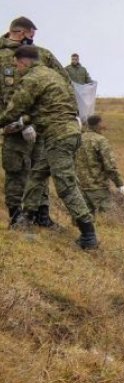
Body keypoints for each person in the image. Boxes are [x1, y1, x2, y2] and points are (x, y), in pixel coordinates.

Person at [0, 46, 98, 249]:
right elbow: (49, 106)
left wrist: (9, 121)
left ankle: (89, 234)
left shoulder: (32, 79)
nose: (16, 69)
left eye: (16, 65)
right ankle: (25, 218)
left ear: (23, 61)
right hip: (68, 132)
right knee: (37, 175)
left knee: (66, 185)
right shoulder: (53, 75)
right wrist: (25, 121)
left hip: (58, 137)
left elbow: (15, 108)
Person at [1, 16, 70, 228]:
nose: (32, 39)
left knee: (40, 170)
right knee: (15, 170)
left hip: (39, 125)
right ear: (21, 32)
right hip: (11, 125)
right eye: (31, 34)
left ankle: (42, 217)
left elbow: (63, 81)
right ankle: (16, 218)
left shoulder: (42, 55)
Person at [75, 114, 124, 215]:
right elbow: (110, 166)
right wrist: (120, 184)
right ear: (97, 124)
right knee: (106, 220)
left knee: (84, 219)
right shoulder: (101, 140)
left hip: (80, 187)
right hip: (98, 188)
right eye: (102, 122)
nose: (104, 125)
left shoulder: (78, 139)